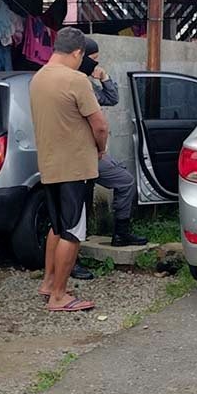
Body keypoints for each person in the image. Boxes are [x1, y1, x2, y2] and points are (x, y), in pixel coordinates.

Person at [31, 28, 109, 313]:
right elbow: (99, 125)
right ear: (77, 53)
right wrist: (100, 148)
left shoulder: (38, 78)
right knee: (73, 232)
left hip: (49, 165)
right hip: (75, 167)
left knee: (57, 226)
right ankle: (60, 296)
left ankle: (49, 283)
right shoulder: (76, 80)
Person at [81, 38, 146, 248]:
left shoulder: (86, 82)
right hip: (89, 153)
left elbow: (112, 98)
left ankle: (113, 233)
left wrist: (105, 78)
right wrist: (100, 149)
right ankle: (120, 233)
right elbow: (100, 126)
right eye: (93, 60)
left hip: (88, 151)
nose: (96, 65)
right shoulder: (80, 86)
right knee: (125, 181)